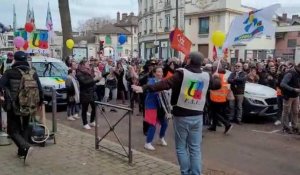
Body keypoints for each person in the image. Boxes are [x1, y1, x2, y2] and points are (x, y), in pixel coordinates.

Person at [132, 52, 221, 175]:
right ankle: (196, 173)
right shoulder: (206, 75)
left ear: (189, 60)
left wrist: (145, 88)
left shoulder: (182, 73)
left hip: (182, 115)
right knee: (195, 149)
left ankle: (185, 172)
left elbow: (165, 84)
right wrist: (215, 77)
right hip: (198, 115)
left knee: (181, 147)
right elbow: (217, 85)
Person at [0, 51, 43, 164]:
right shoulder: (33, 72)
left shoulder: (9, 72)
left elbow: (0, 85)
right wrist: (40, 102)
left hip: (13, 105)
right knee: (24, 127)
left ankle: (25, 147)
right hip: (29, 105)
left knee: (12, 130)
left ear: (15, 59)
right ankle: (22, 152)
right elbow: (40, 88)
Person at [143, 67, 168, 151]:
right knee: (152, 124)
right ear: (154, 73)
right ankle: (148, 143)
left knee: (164, 123)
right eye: (158, 71)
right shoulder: (151, 81)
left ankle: (161, 138)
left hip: (161, 106)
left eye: (161, 71)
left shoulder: (164, 81)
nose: (159, 73)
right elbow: (151, 88)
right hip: (151, 105)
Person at [208, 62, 232, 133]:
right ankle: (213, 126)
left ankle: (227, 124)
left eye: (213, 67)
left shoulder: (216, 75)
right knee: (216, 112)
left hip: (215, 97)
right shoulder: (225, 76)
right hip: (223, 98)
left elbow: (213, 85)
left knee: (214, 112)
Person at [76, 59, 101, 130]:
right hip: (85, 93)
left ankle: (92, 121)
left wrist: (98, 78)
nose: (88, 65)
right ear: (83, 65)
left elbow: (93, 80)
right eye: (87, 64)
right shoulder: (79, 73)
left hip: (92, 92)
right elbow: (84, 82)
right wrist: (94, 79)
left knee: (94, 107)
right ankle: (85, 123)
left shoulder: (89, 72)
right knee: (84, 109)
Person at [280, 63, 300, 134]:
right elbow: (282, 84)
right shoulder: (290, 74)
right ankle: (286, 127)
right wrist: (293, 89)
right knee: (286, 112)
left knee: (295, 112)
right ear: (298, 67)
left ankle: (294, 127)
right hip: (288, 96)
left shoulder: (298, 73)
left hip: (296, 96)